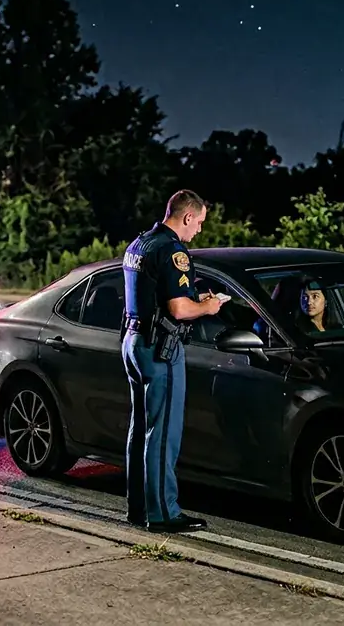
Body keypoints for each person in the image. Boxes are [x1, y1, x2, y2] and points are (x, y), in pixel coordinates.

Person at [120, 189, 225, 533]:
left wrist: (192, 294)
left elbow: (155, 291)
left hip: (134, 342)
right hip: (160, 348)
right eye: (199, 223)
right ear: (187, 216)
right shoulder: (174, 250)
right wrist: (207, 307)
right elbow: (179, 310)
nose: (199, 231)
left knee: (140, 430)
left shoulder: (140, 244)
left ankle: (139, 507)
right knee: (163, 433)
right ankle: (163, 513)